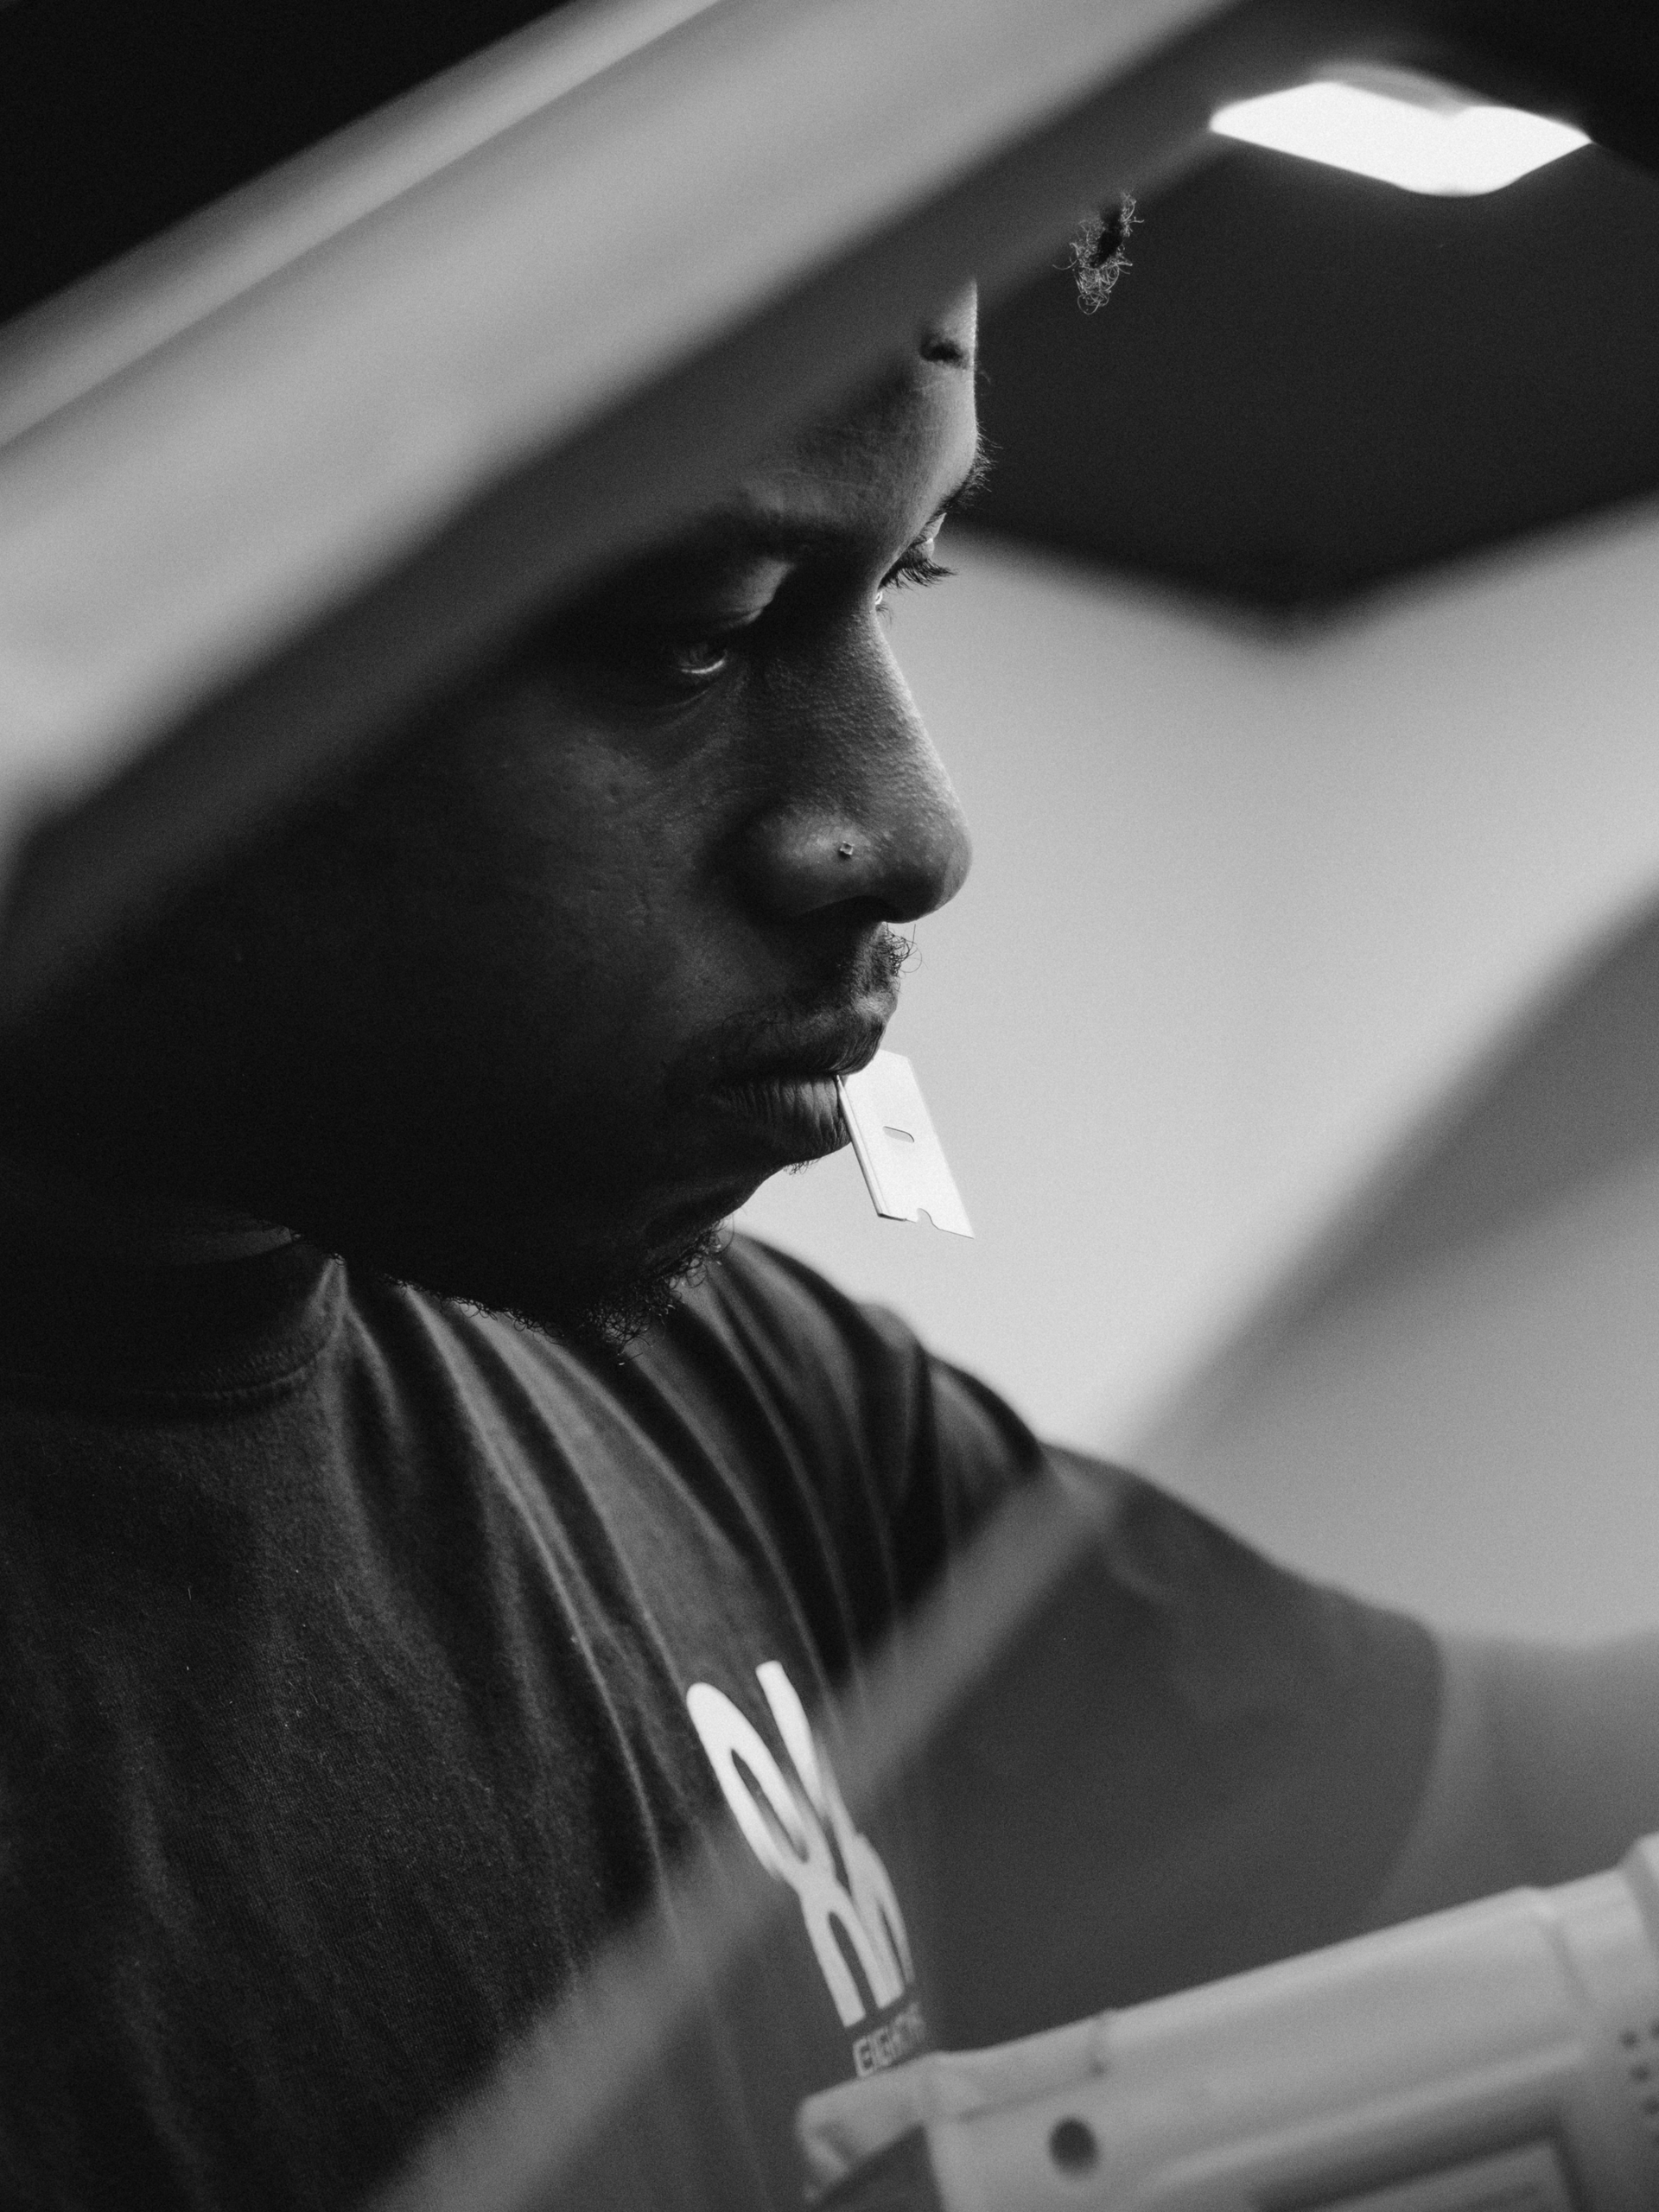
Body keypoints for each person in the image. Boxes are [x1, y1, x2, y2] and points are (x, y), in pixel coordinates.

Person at [2, 272, 1657, 2212]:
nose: (910, 826)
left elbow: (1511, 1783)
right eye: (695, 636)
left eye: (918, 568)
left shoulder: (742, 1391)